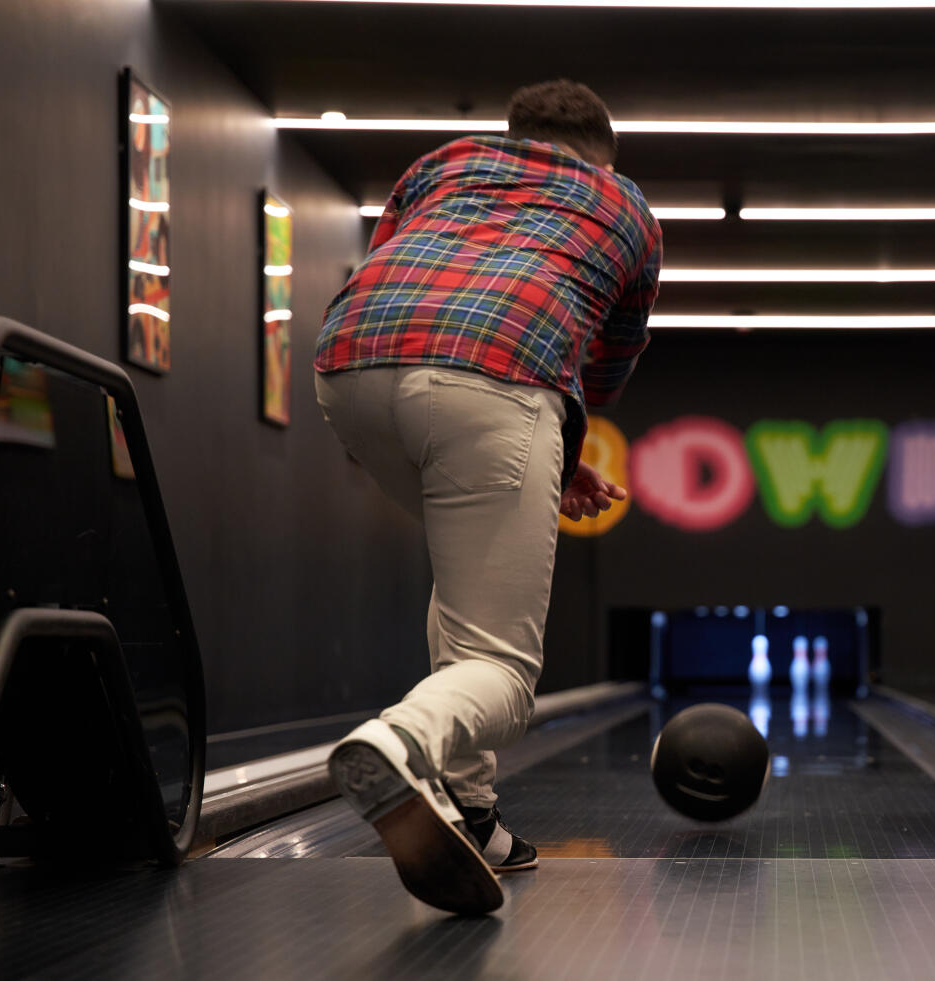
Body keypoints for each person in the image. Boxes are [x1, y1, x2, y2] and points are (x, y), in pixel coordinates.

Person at [313, 79, 661, 916]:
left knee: (466, 599)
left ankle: (473, 813)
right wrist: (557, 425)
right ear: (604, 155)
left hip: (348, 365)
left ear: (517, 133)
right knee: (501, 667)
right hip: (496, 380)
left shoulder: (440, 165)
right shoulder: (625, 205)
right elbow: (608, 368)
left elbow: (388, 258)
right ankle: (400, 741)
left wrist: (552, 451)